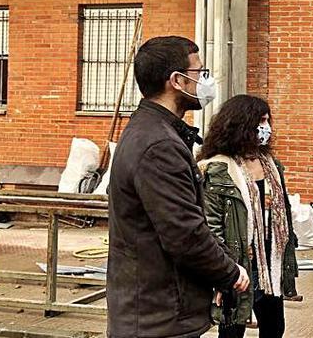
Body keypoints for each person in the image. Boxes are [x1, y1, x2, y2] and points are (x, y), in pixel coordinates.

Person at [107, 36, 249, 338]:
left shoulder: (154, 132)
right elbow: (185, 234)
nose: (206, 81)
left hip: (157, 314)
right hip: (157, 319)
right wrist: (230, 273)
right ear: (177, 80)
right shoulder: (159, 145)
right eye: (200, 72)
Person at [198, 95, 298, 338]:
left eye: (267, 120)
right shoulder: (218, 168)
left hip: (270, 262)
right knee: (233, 329)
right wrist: (223, 271)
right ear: (242, 125)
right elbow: (212, 225)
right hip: (239, 260)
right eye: (260, 121)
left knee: (274, 327)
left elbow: (282, 212)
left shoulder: (271, 165)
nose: (266, 127)